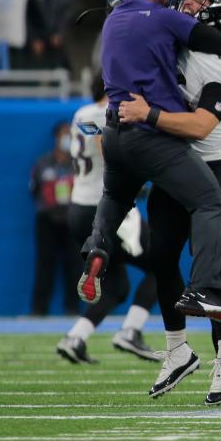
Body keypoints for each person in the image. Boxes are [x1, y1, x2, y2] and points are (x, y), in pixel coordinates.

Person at [77, 0, 221, 325]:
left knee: (115, 196)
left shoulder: (114, 13)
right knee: (211, 205)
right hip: (151, 133)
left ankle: (97, 248)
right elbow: (219, 43)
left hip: (115, 130)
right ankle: (204, 287)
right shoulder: (166, 19)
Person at [117, 0, 221, 403]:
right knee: (161, 256)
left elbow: (199, 125)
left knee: (212, 266)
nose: (186, 2)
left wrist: (149, 115)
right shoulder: (171, 32)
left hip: (211, 162)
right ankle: (177, 350)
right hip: (173, 162)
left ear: (218, 4)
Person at [56, 75, 159, 365]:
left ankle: (75, 337)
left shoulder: (82, 113)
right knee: (161, 266)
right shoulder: (106, 114)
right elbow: (109, 150)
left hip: (78, 208)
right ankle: (130, 330)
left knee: (115, 287)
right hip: (107, 211)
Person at [29, 122, 76, 316]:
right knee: (44, 264)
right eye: (64, 134)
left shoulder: (78, 163)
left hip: (72, 218)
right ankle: (39, 310)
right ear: (56, 137)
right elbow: (34, 189)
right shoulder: (43, 163)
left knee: (74, 264)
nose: (67, 138)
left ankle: (72, 308)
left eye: (70, 134)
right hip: (47, 219)